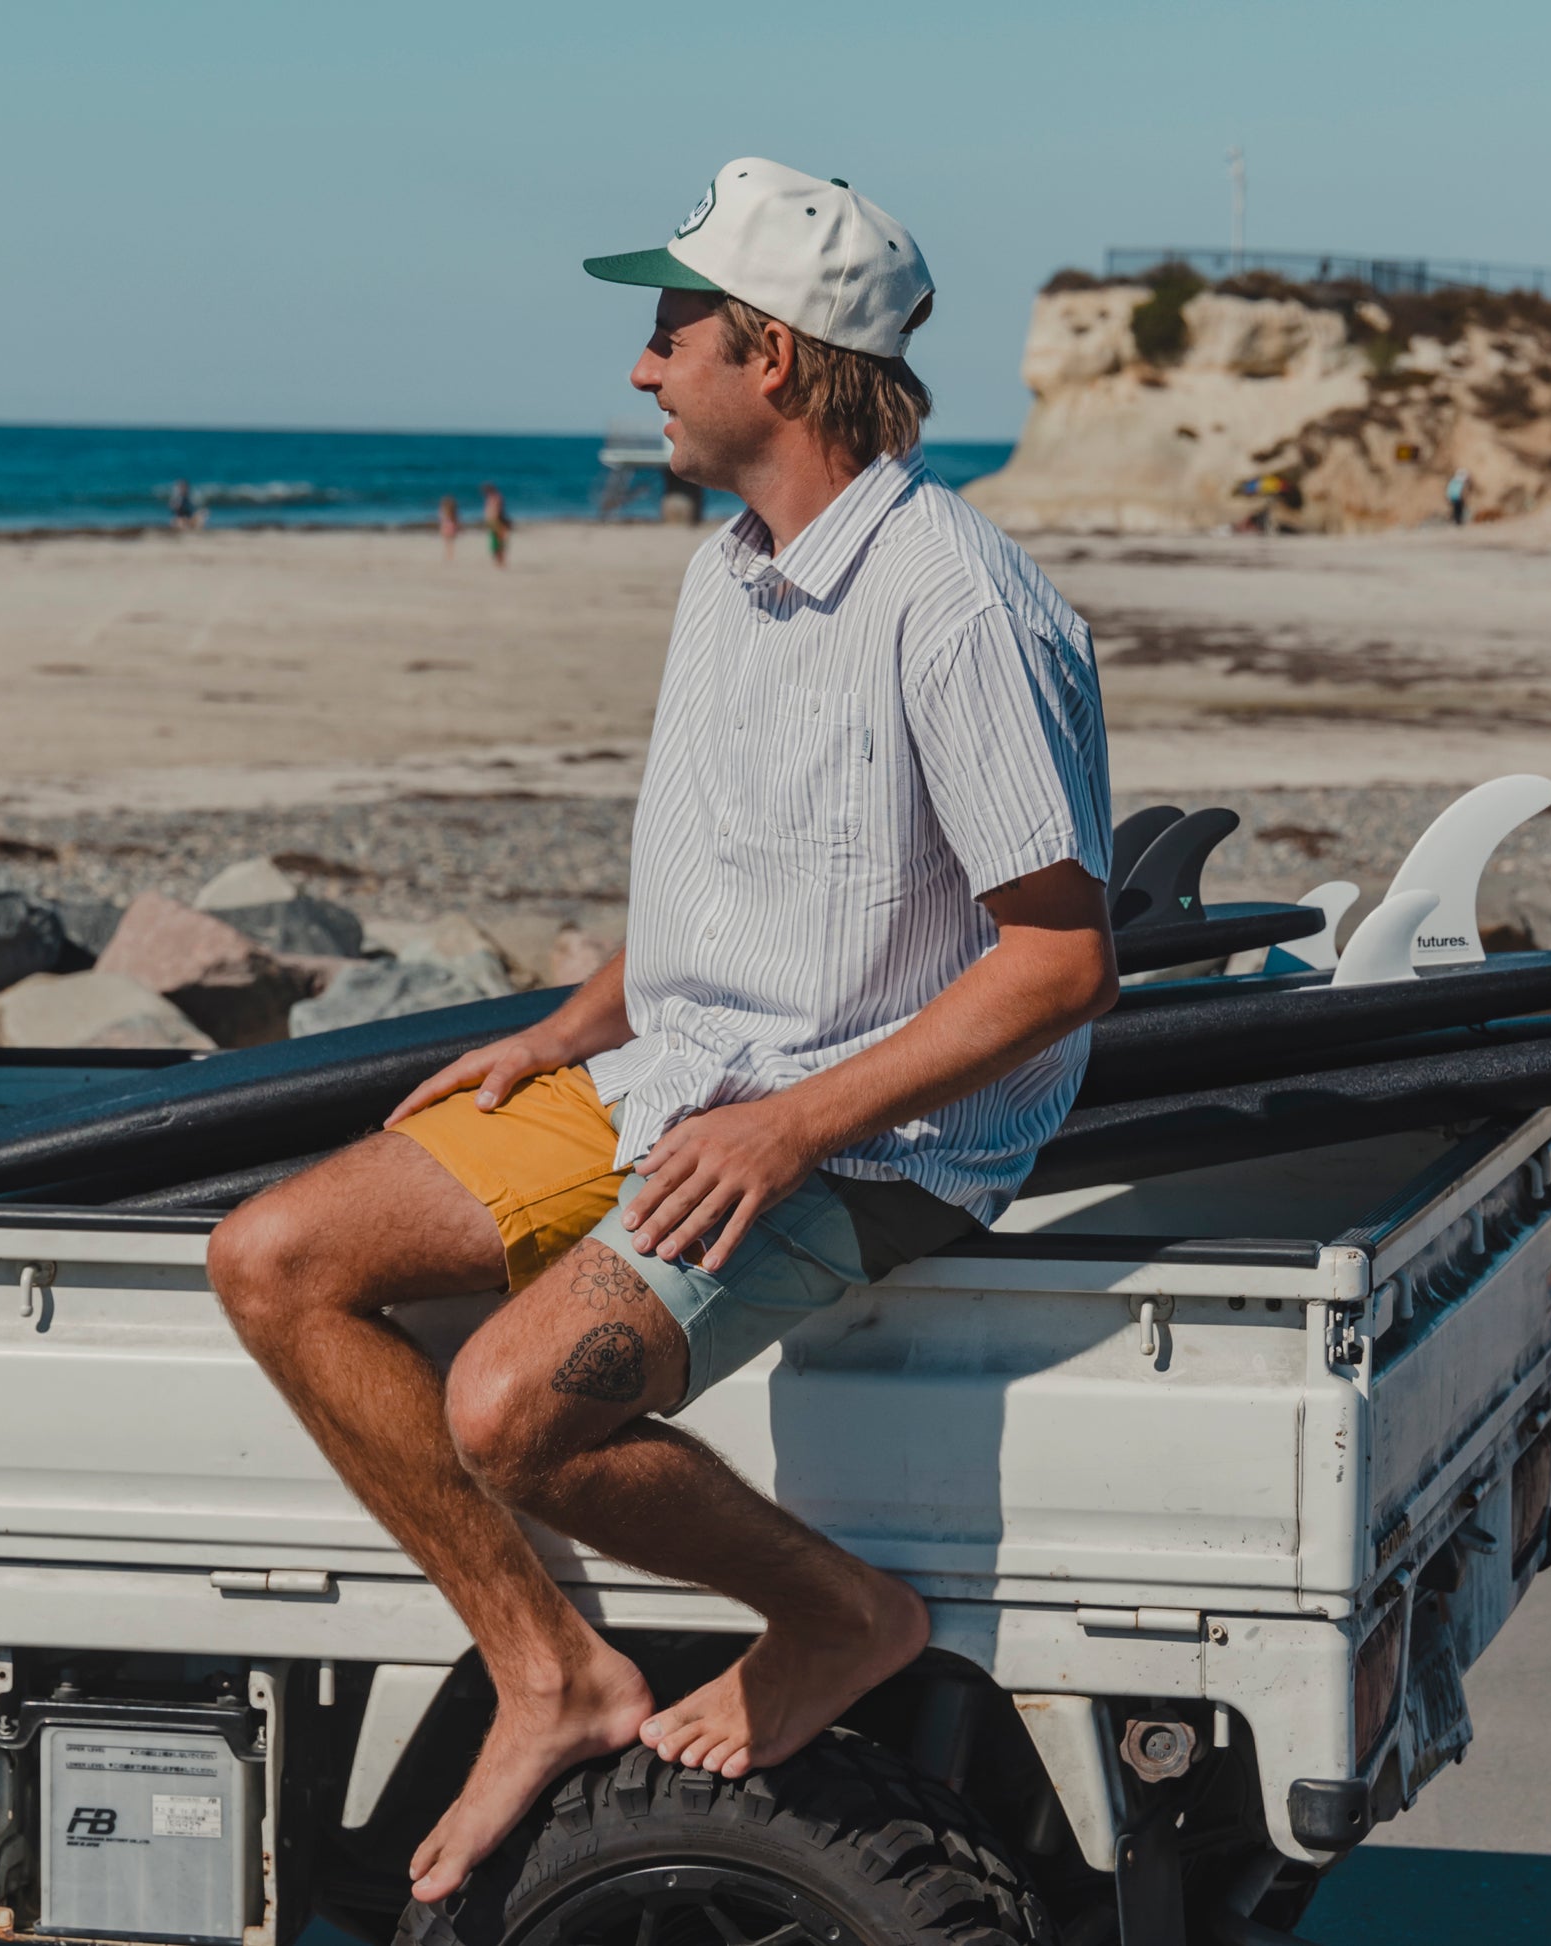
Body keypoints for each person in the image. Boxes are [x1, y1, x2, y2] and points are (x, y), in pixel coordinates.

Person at [207, 156, 1116, 1905]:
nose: (640, 369)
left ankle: (840, 1615)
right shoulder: (729, 573)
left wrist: (791, 1127)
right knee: (276, 1256)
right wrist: (567, 1028)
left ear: (769, 355)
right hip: (676, 1077)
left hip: (867, 1135)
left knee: (507, 1409)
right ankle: (550, 1669)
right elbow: (738, 876)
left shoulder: (957, 604)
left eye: (669, 332)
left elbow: (1061, 966)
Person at [482, 481, 510, 565]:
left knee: (498, 541)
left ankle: (500, 560)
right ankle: (499, 560)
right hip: (494, 521)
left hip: (497, 521)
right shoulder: (493, 497)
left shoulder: (495, 497)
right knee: (496, 541)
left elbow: (497, 510)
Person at [439, 493, 461, 561]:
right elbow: (457, 520)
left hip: (446, 526)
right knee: (451, 542)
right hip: (452, 526)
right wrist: (458, 527)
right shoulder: (453, 511)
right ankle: (450, 555)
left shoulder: (444, 511)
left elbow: (442, 519)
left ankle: (448, 555)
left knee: (447, 542)